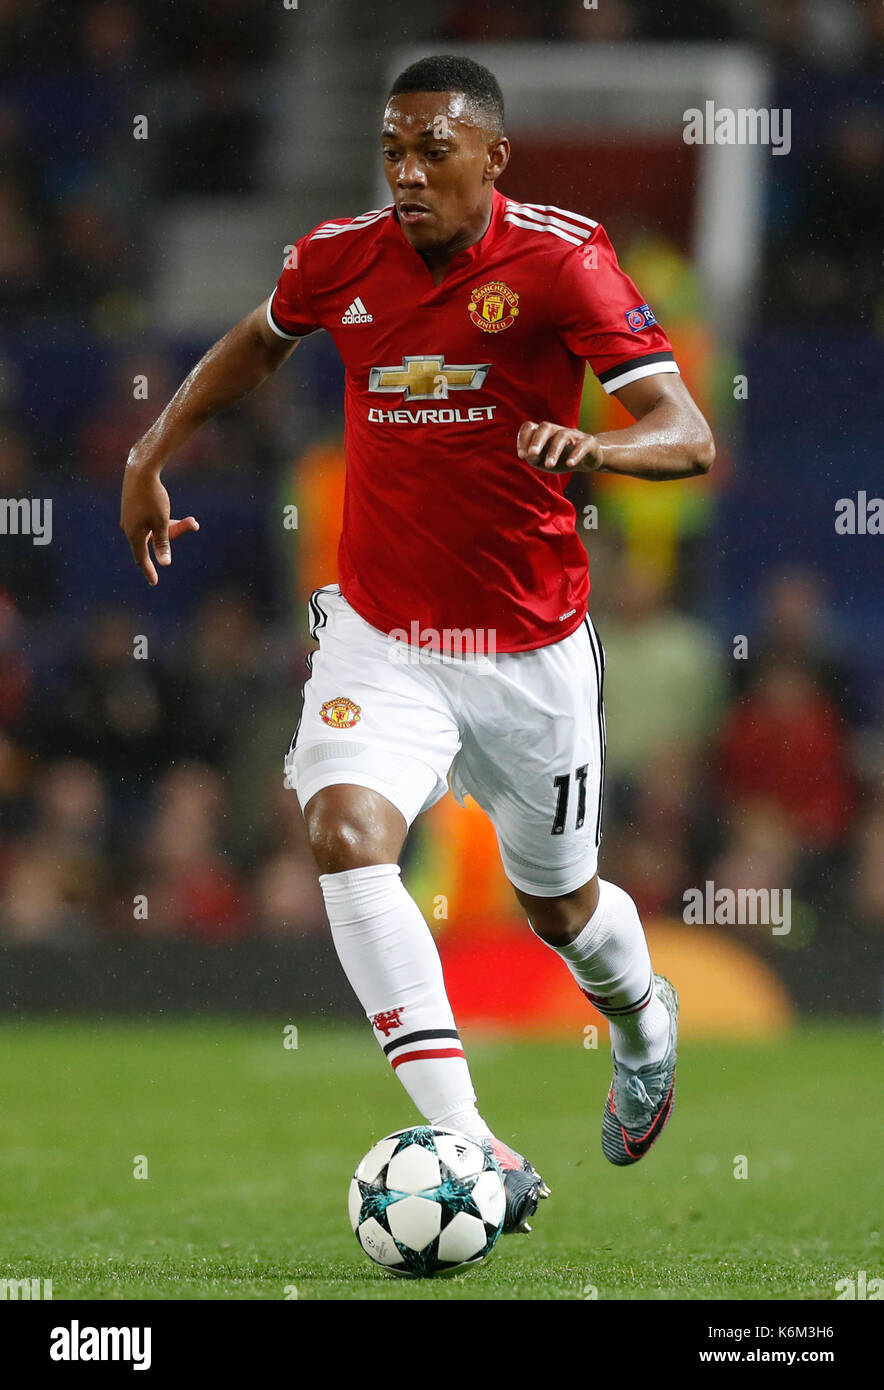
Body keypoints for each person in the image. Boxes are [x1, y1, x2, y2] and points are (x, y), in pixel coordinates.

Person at [121, 54, 715, 1238]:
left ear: (492, 157)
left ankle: (645, 1022)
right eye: (391, 150)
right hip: (382, 634)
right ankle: (467, 1137)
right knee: (342, 833)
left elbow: (685, 433)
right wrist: (151, 451)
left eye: (432, 150)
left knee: (562, 911)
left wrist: (593, 450)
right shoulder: (340, 256)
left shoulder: (561, 261)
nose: (405, 173)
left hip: (528, 650)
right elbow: (257, 339)